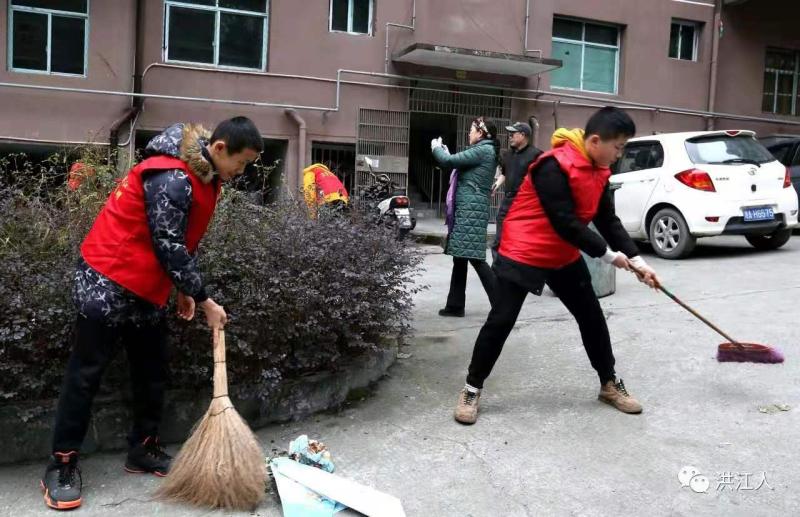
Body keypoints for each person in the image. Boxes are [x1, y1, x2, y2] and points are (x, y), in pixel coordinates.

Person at [41, 116, 263, 510]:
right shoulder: (172, 178)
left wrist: (181, 288)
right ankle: (62, 463)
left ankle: (143, 448)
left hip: (145, 285)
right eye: (241, 163)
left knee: (152, 369)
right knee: (85, 374)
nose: (241, 172)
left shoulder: (208, 178)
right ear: (219, 148)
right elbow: (170, 245)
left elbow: (178, 240)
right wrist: (206, 299)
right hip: (106, 279)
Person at [453, 107, 661, 425]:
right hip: (523, 249)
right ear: (595, 141)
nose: (620, 154)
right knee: (501, 320)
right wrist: (611, 257)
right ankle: (471, 388)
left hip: (561, 254)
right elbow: (564, 223)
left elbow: (607, 220)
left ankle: (609, 383)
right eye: (618, 147)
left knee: (591, 317)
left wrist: (637, 260)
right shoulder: (553, 167)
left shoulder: (601, 171)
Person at [431, 117, 499, 317]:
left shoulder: (483, 150)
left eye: (471, 129)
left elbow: (449, 161)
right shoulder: (485, 149)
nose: (469, 133)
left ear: (481, 132)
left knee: (476, 259)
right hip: (470, 209)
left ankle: (502, 304)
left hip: (471, 211)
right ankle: (455, 305)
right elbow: (457, 161)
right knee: (460, 259)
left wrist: (436, 148)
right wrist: (445, 152)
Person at [491, 122, 542, 258]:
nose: (510, 137)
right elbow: (505, 173)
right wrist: (496, 185)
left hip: (525, 203)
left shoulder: (536, 155)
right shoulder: (508, 154)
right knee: (499, 239)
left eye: (513, 134)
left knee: (522, 240)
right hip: (508, 200)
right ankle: (497, 271)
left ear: (523, 135)